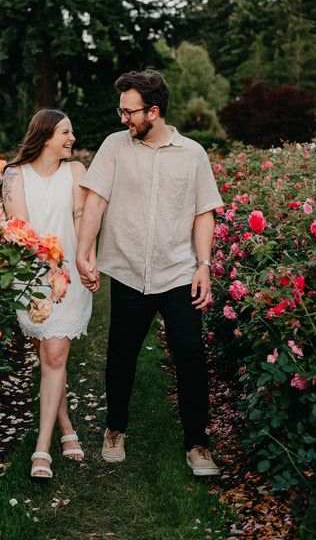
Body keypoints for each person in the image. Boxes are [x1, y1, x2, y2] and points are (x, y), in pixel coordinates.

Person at [76, 70, 223, 476]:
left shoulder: (193, 154)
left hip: (178, 273)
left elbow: (203, 213)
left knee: (191, 358)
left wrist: (204, 266)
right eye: (120, 110)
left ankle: (198, 444)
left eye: (129, 111)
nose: (122, 118)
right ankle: (115, 429)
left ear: (153, 111)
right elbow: (96, 201)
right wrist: (83, 251)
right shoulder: (114, 147)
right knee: (121, 354)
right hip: (127, 272)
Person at [2, 109, 95, 480]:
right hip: (30, 274)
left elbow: (80, 218)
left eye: (71, 132)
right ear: (44, 136)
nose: (72, 139)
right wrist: (48, 266)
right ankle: (66, 425)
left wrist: (86, 260)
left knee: (54, 354)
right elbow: (21, 229)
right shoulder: (14, 175)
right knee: (48, 356)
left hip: (68, 275)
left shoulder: (76, 172)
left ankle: (42, 448)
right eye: (65, 132)